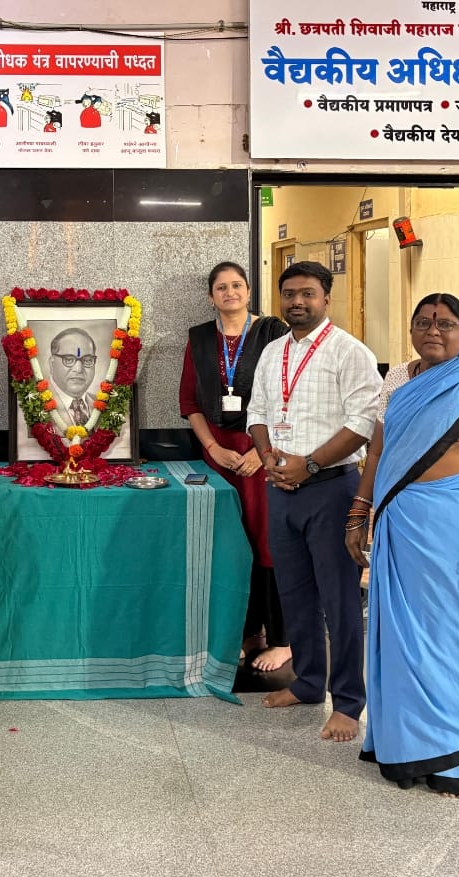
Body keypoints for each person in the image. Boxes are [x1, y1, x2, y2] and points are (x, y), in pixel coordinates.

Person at [345, 293, 459, 796]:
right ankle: (404, 747)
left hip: (457, 536)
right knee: (400, 638)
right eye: (424, 322)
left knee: (456, 638)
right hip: (399, 528)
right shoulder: (397, 379)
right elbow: (377, 451)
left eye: (446, 323)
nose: (433, 330)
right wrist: (359, 512)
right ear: (411, 329)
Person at [247, 261, 382, 742]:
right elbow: (257, 411)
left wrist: (310, 464)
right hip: (280, 487)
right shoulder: (272, 352)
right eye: (289, 294)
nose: (297, 302)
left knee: (339, 599)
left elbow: (363, 424)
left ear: (326, 298)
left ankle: (347, 702)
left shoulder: (351, 353)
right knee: (295, 593)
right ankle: (307, 683)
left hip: (331, 488)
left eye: (307, 293)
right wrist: (268, 456)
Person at [179, 262, 292, 671]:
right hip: (218, 454)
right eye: (221, 287)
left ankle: (282, 639)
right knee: (229, 544)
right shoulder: (199, 338)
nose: (230, 292)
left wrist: (262, 452)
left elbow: (287, 396)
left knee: (268, 542)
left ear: (248, 290)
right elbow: (189, 402)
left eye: (237, 285)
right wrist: (211, 447)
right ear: (211, 296)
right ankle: (247, 631)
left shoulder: (273, 332)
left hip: (264, 451)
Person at [49, 327, 98, 425]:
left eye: (87, 360)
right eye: (69, 360)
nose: (78, 369)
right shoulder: (34, 405)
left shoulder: (105, 405)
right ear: (51, 363)